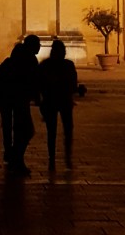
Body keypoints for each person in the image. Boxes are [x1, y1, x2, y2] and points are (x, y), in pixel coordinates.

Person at [0, 33, 40, 175]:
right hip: (20, 100)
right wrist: (38, 99)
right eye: (37, 44)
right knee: (26, 130)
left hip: (6, 99)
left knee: (10, 129)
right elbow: (33, 81)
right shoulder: (29, 60)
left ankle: (11, 156)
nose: (40, 47)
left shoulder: (14, 59)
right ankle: (16, 158)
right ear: (31, 46)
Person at [38, 38, 77, 170]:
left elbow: (40, 84)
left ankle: (53, 158)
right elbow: (73, 84)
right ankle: (67, 157)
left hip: (51, 101)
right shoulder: (68, 65)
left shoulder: (45, 65)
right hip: (64, 101)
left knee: (52, 131)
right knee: (67, 130)